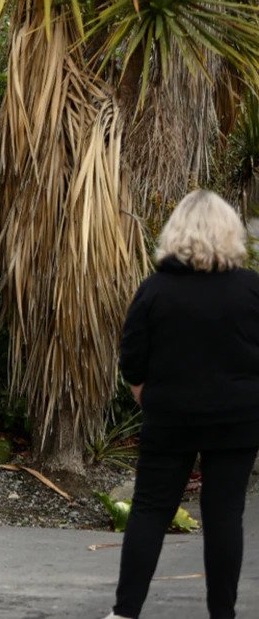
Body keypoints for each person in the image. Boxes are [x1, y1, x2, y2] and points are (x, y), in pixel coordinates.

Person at [106, 190, 259, 619]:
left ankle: (125, 611)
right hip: (238, 420)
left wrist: (147, 396)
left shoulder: (155, 289)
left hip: (169, 417)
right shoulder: (251, 290)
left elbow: (132, 357)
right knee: (225, 514)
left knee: (151, 509)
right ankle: (222, 614)